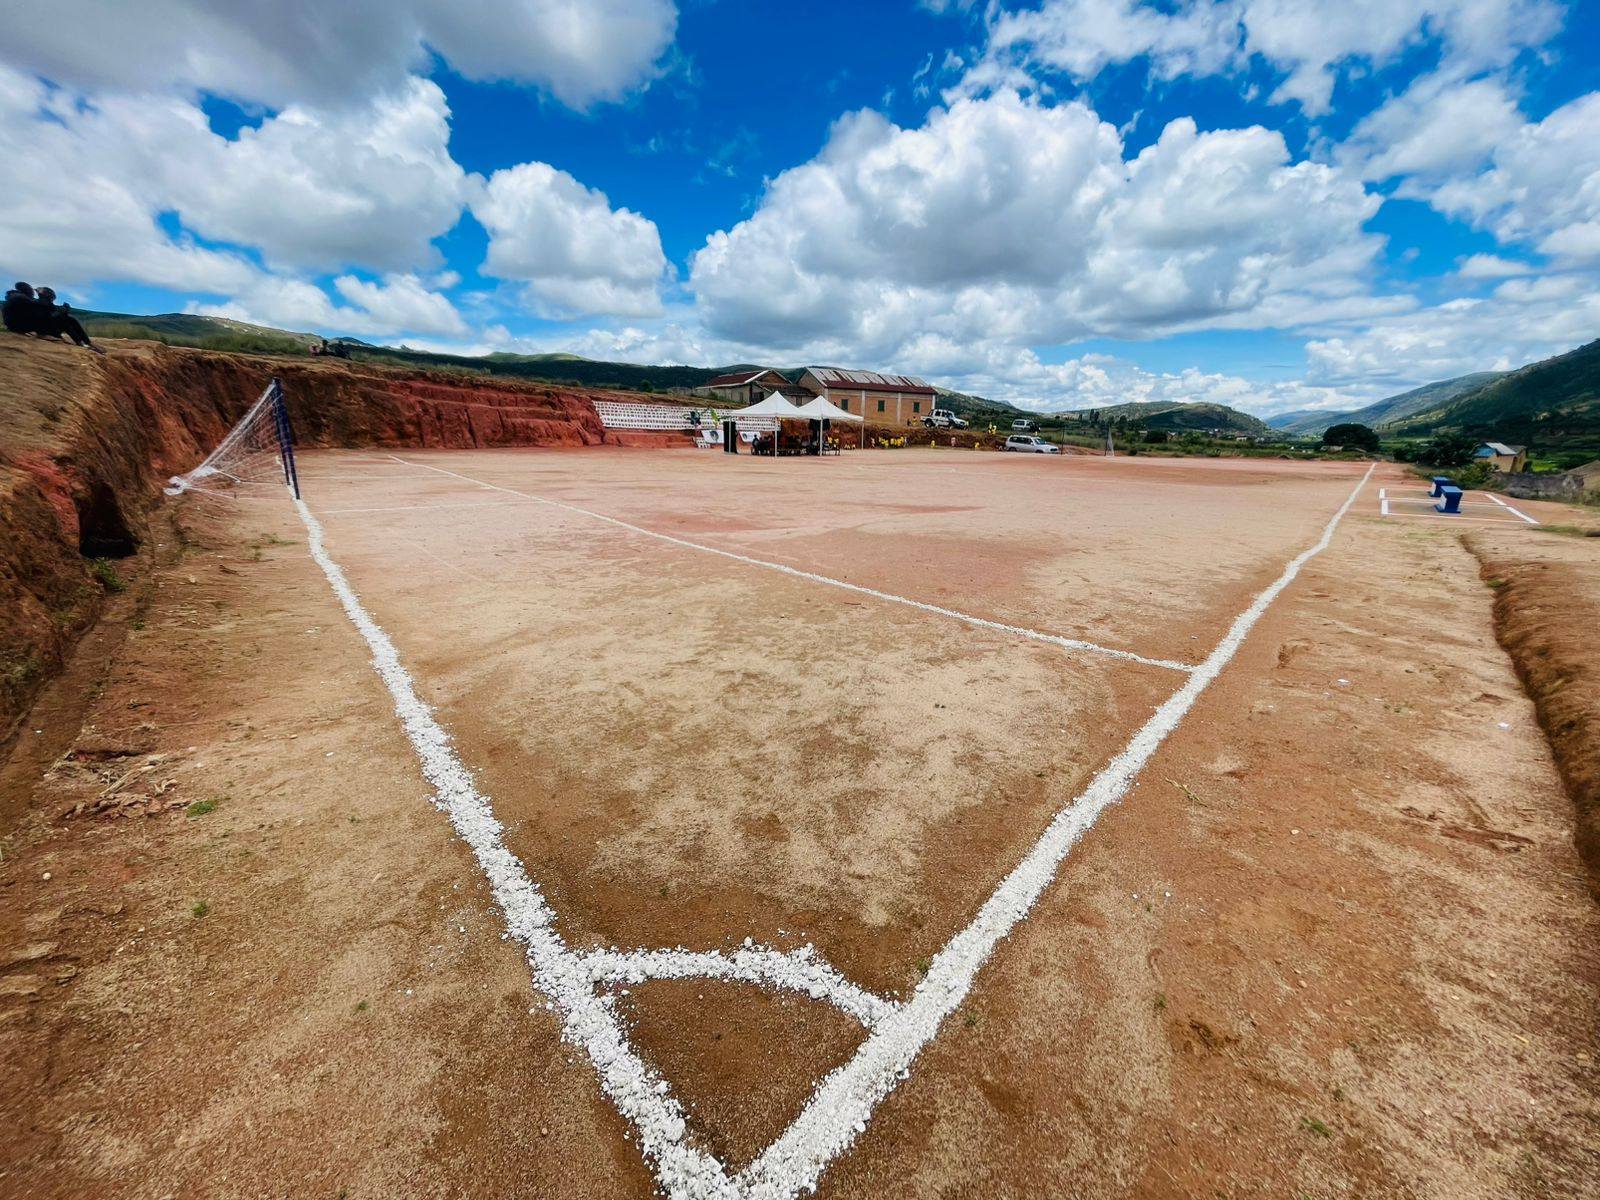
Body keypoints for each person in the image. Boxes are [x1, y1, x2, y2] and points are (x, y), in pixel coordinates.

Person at [31, 287, 103, 353]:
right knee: (65, 321)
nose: (52, 300)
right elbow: (46, 318)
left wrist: (64, 310)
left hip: (50, 328)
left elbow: (54, 313)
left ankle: (87, 342)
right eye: (52, 297)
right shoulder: (39, 303)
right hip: (45, 330)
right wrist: (60, 312)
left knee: (70, 319)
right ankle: (80, 343)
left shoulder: (47, 304)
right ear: (48, 296)